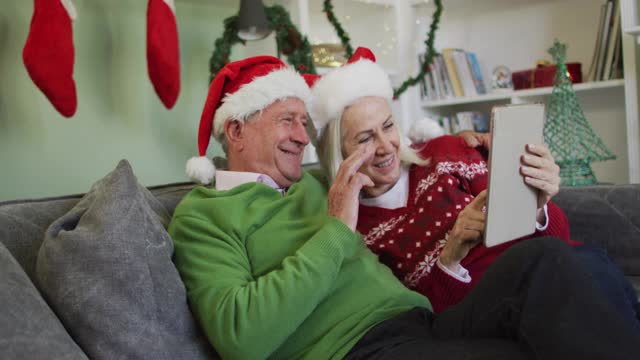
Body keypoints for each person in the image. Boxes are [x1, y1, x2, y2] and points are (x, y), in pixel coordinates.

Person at [168, 54, 640, 360]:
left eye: (303, 122)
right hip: (358, 348)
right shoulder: (204, 214)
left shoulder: (312, 186)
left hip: (426, 322)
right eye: (286, 121)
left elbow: (388, 164)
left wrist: (493, 164)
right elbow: (240, 336)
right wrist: (336, 229)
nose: (299, 136)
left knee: (553, 262)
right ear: (236, 131)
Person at [311, 47, 640, 327]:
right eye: (365, 138)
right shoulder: (355, 229)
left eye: (388, 127)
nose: (385, 146)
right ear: (338, 153)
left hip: (550, 270)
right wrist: (451, 254)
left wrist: (536, 206)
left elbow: (557, 235)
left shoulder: (447, 151)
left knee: (584, 260)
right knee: (577, 265)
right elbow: (417, 318)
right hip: (483, 309)